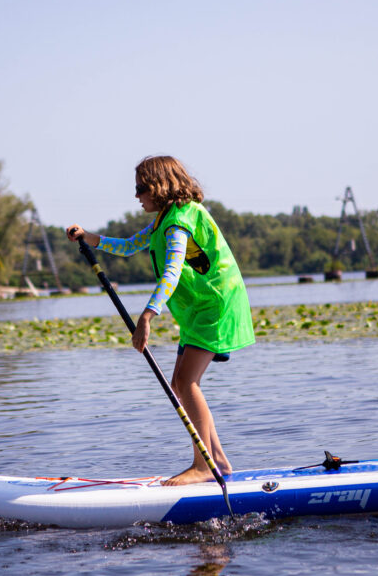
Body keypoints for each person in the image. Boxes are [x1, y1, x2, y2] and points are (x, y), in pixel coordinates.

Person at [67, 156, 255, 486]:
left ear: (159, 187)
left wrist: (147, 316)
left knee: (186, 384)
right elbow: (127, 246)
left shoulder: (180, 221)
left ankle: (202, 465)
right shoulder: (163, 221)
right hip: (199, 308)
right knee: (180, 384)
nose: (137, 196)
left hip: (215, 305)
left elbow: (171, 272)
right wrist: (88, 237)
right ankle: (219, 462)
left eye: (141, 188)